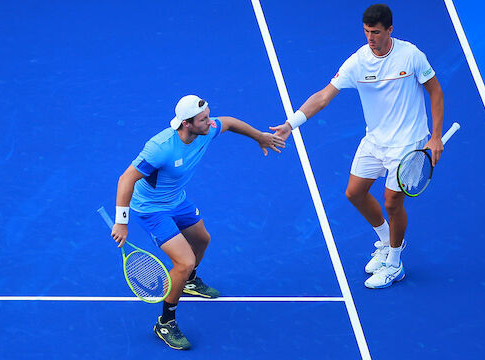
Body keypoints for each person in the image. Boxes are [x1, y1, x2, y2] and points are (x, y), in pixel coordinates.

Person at [270, 4, 444, 289]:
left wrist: (435, 137)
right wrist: (291, 124)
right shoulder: (357, 62)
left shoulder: (411, 55)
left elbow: (435, 90)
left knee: (392, 201)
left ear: (390, 30)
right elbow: (324, 96)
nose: (370, 38)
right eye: (366, 32)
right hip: (375, 140)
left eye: (375, 32)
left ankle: (395, 263)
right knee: (354, 192)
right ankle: (387, 240)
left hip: (407, 143)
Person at [111, 94, 285, 350]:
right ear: (186, 124)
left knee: (202, 239)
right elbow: (126, 179)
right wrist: (122, 222)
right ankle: (165, 322)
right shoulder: (161, 148)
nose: (210, 122)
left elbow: (229, 122)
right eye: (203, 119)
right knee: (184, 260)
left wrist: (259, 136)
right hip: (151, 209)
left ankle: (188, 281)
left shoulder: (207, 129)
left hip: (177, 200)